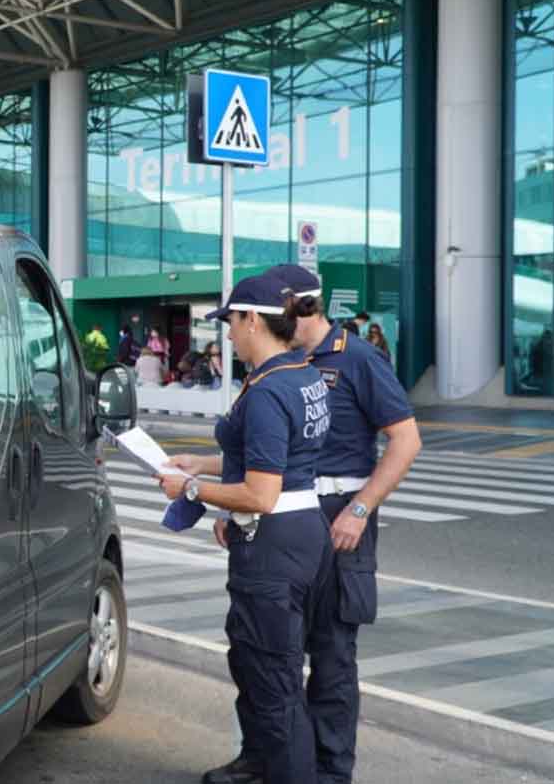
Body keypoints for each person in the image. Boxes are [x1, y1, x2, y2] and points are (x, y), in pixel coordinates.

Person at [248, 264, 420, 784]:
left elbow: (406, 440)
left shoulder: (359, 359)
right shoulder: (282, 363)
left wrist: (361, 508)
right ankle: (269, 762)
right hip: (288, 516)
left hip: (341, 519)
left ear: (299, 308)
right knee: (271, 652)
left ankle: (330, 773)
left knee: (332, 658)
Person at [161, 272, 333, 784]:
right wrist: (204, 464)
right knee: (260, 670)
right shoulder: (303, 375)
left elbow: (261, 493)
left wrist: (189, 490)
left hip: (273, 549)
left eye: (231, 323)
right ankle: (258, 765)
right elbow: (273, 458)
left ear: (253, 319)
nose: (228, 335)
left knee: (275, 686)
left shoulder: (265, 391)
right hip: (304, 533)